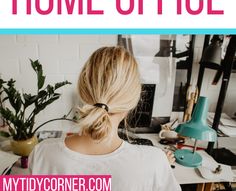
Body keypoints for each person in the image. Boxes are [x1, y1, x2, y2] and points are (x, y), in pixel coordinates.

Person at [29, 46, 181, 191]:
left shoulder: (41, 153)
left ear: (83, 92)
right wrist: (159, 169)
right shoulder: (154, 161)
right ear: (132, 102)